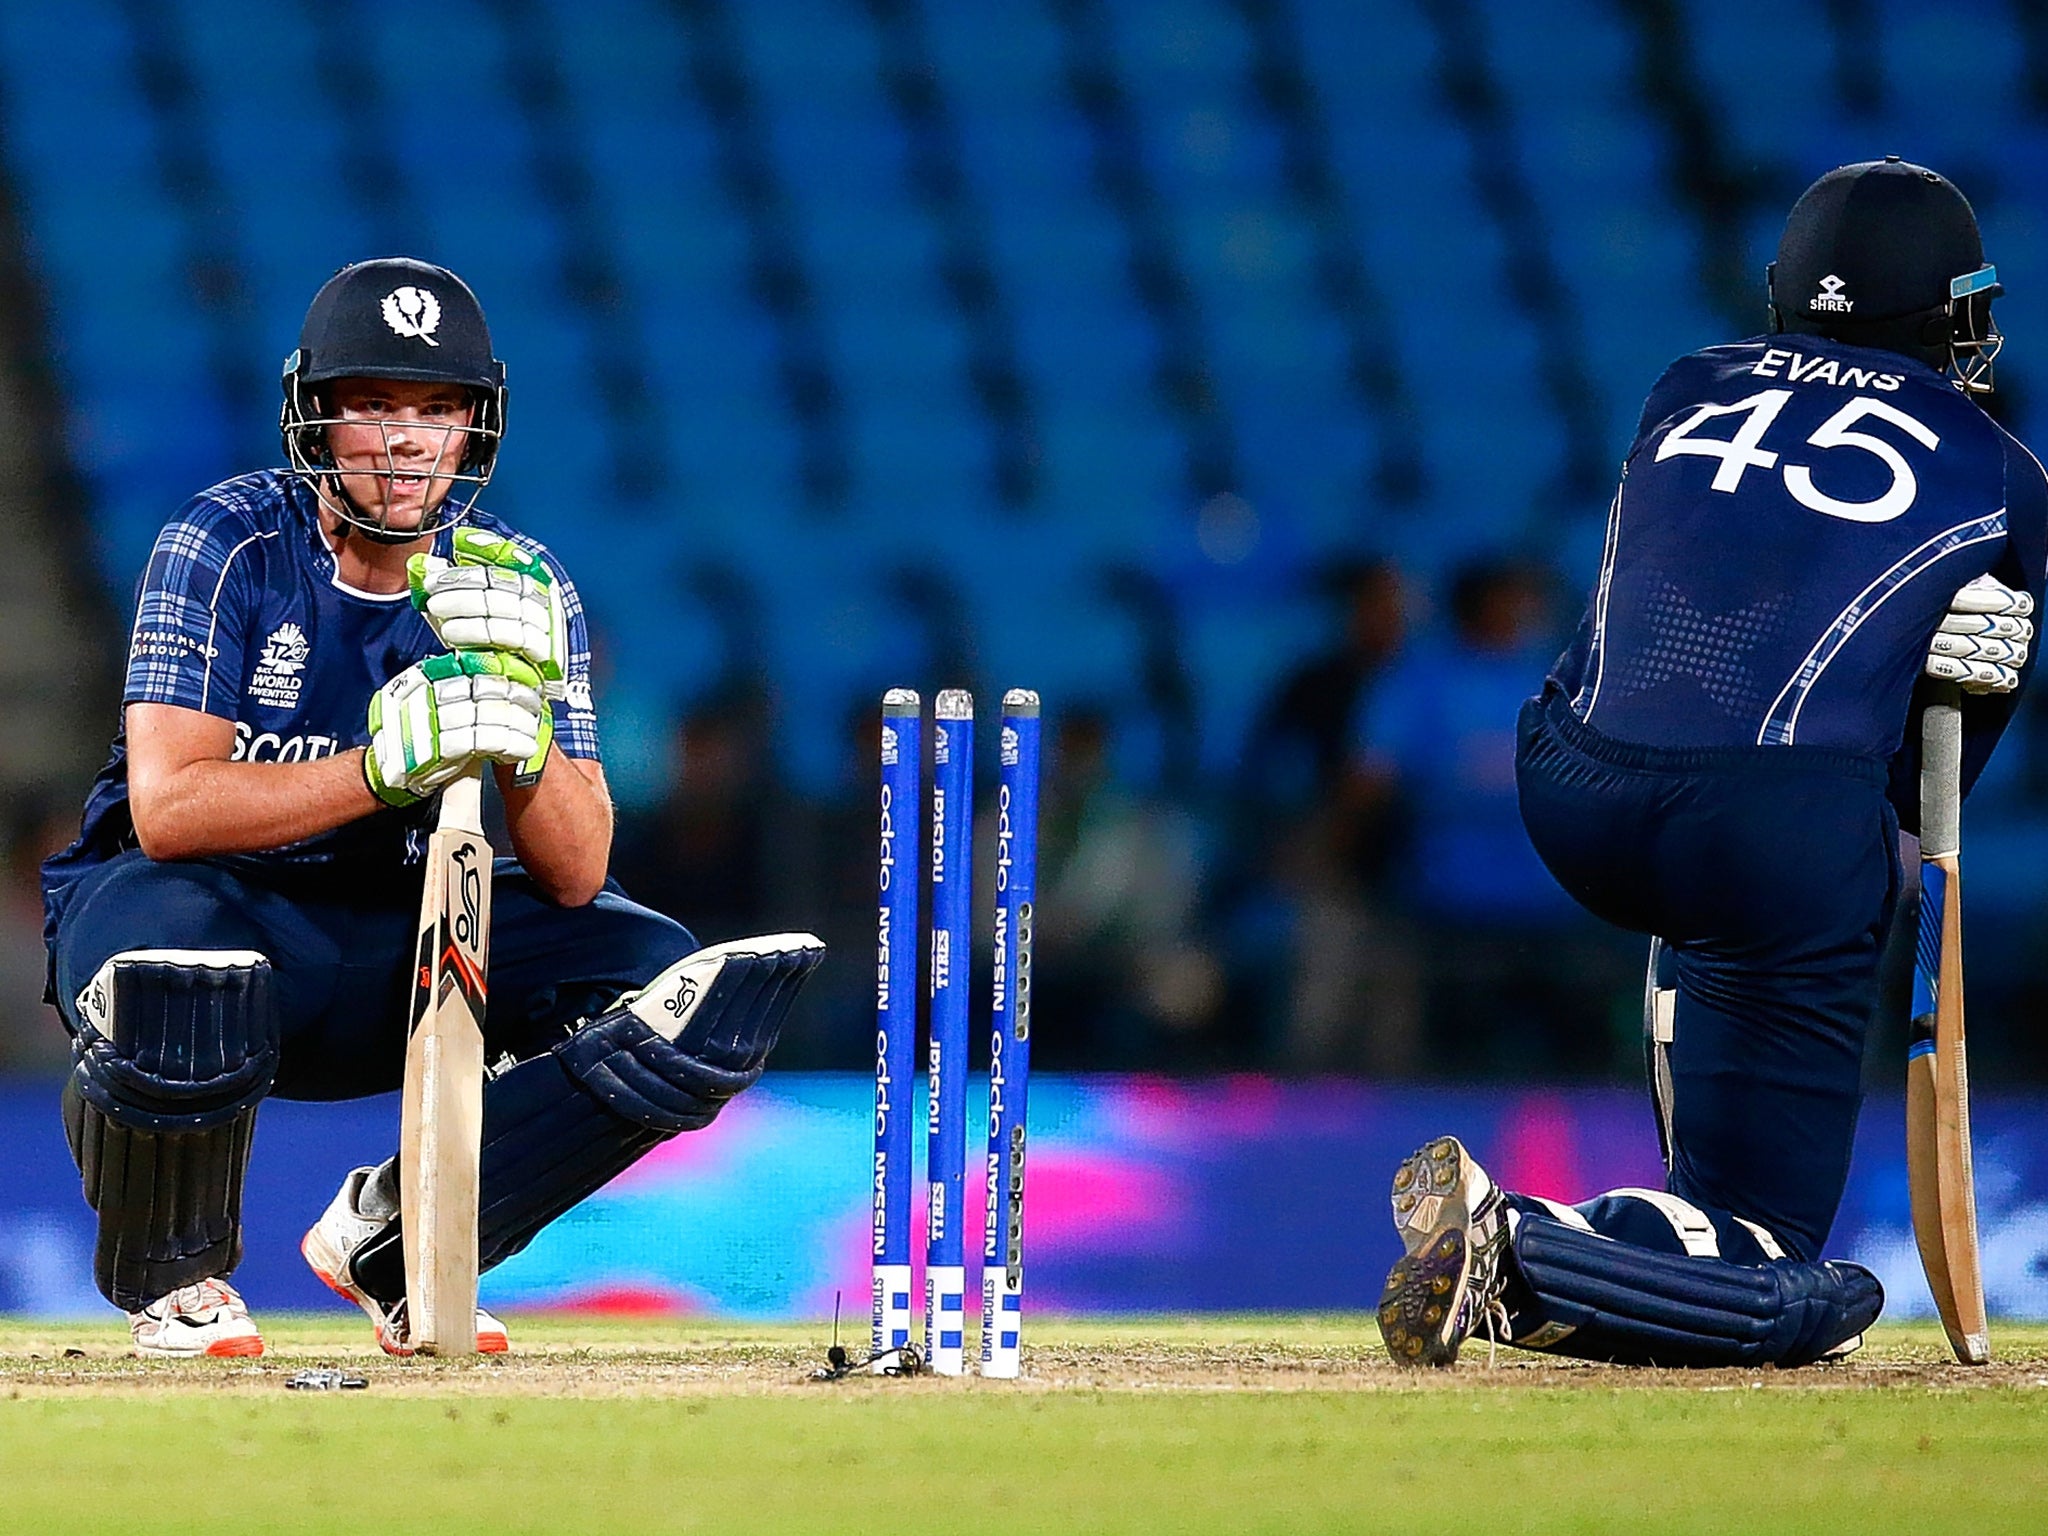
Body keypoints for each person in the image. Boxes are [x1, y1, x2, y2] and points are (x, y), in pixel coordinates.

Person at [40, 258, 822, 1358]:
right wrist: (378, 770)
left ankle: (405, 1238)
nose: (404, 439)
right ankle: (177, 1274)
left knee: (668, 991)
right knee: (181, 981)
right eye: (373, 405)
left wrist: (521, 732)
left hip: (399, 925)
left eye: (436, 409)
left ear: (473, 427)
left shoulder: (522, 579)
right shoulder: (226, 543)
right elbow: (168, 808)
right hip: (195, 902)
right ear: (314, 414)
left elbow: (575, 871)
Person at [1378, 159, 2045, 1368]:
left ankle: (1553, 1253)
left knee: (1711, 1218)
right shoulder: (2000, 471)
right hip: (1768, 832)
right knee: (1808, 1280)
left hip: (1567, 779)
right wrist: (1941, 734)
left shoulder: (1683, 385)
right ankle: (1520, 1240)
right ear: (1947, 310)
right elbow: (1933, 772)